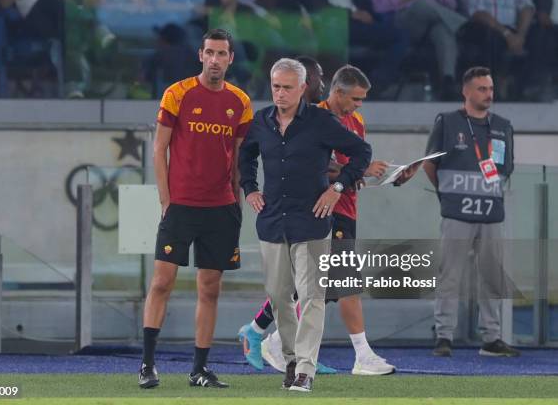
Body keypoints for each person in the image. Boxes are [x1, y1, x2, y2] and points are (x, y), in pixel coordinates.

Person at [239, 62, 405, 376]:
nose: (359, 105)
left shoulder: (352, 121)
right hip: (320, 210)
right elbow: (318, 165)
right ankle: (358, 354)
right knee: (340, 282)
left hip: (344, 207)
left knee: (316, 289)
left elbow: (355, 162)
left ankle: (268, 337)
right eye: (355, 99)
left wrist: (389, 176)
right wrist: (250, 188)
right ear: (338, 93)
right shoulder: (311, 118)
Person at [138, 28, 252, 389]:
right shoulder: (177, 93)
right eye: (210, 53)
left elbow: (238, 159)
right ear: (200, 55)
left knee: (210, 288)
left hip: (221, 208)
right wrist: (165, 199)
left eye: (222, 54)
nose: (215, 60)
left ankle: (199, 369)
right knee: (161, 282)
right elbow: (159, 149)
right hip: (181, 205)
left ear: (231, 59)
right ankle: (147, 364)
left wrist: (236, 199)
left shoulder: (241, 102)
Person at [423, 66, 519, 357]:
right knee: (449, 275)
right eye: (481, 89)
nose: (488, 94)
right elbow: (430, 164)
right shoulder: (448, 122)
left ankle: (491, 338)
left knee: (492, 276)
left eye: (490, 89)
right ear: (465, 91)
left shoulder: (503, 125)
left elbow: (507, 169)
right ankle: (444, 336)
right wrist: (447, 195)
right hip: (456, 214)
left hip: (491, 214)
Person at [458, 0, 554, 101]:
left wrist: (520, 36)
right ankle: (494, 86)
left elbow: (527, 7)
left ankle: (532, 86)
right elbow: (478, 13)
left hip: (513, 30)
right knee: (490, 36)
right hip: (485, 27)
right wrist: (507, 34)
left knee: (543, 32)